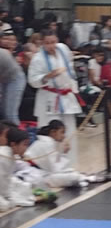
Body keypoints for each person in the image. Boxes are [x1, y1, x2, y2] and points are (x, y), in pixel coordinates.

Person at [27, 30, 82, 164]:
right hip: (49, 98)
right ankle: (51, 166)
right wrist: (47, 76)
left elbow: (70, 67)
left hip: (66, 96)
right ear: (42, 43)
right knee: (50, 135)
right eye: (47, 43)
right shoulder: (38, 58)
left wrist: (73, 87)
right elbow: (32, 81)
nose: (51, 46)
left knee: (69, 132)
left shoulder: (63, 49)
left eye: (53, 42)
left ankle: (71, 165)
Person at [24, 118, 94, 188]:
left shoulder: (48, 142)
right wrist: (64, 153)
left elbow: (55, 166)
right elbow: (55, 170)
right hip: (35, 174)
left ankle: (82, 178)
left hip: (41, 173)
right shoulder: (47, 144)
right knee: (72, 176)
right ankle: (83, 178)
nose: (63, 136)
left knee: (71, 173)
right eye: (62, 132)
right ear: (53, 132)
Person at [0, 126, 35, 209]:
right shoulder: (3, 157)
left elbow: (7, 179)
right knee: (4, 205)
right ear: (13, 145)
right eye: (24, 144)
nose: (26, 148)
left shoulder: (9, 155)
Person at [0, 29, 25, 124]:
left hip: (15, 78)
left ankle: (18, 137)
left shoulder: (2, 53)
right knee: (3, 111)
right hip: (4, 78)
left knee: (10, 113)